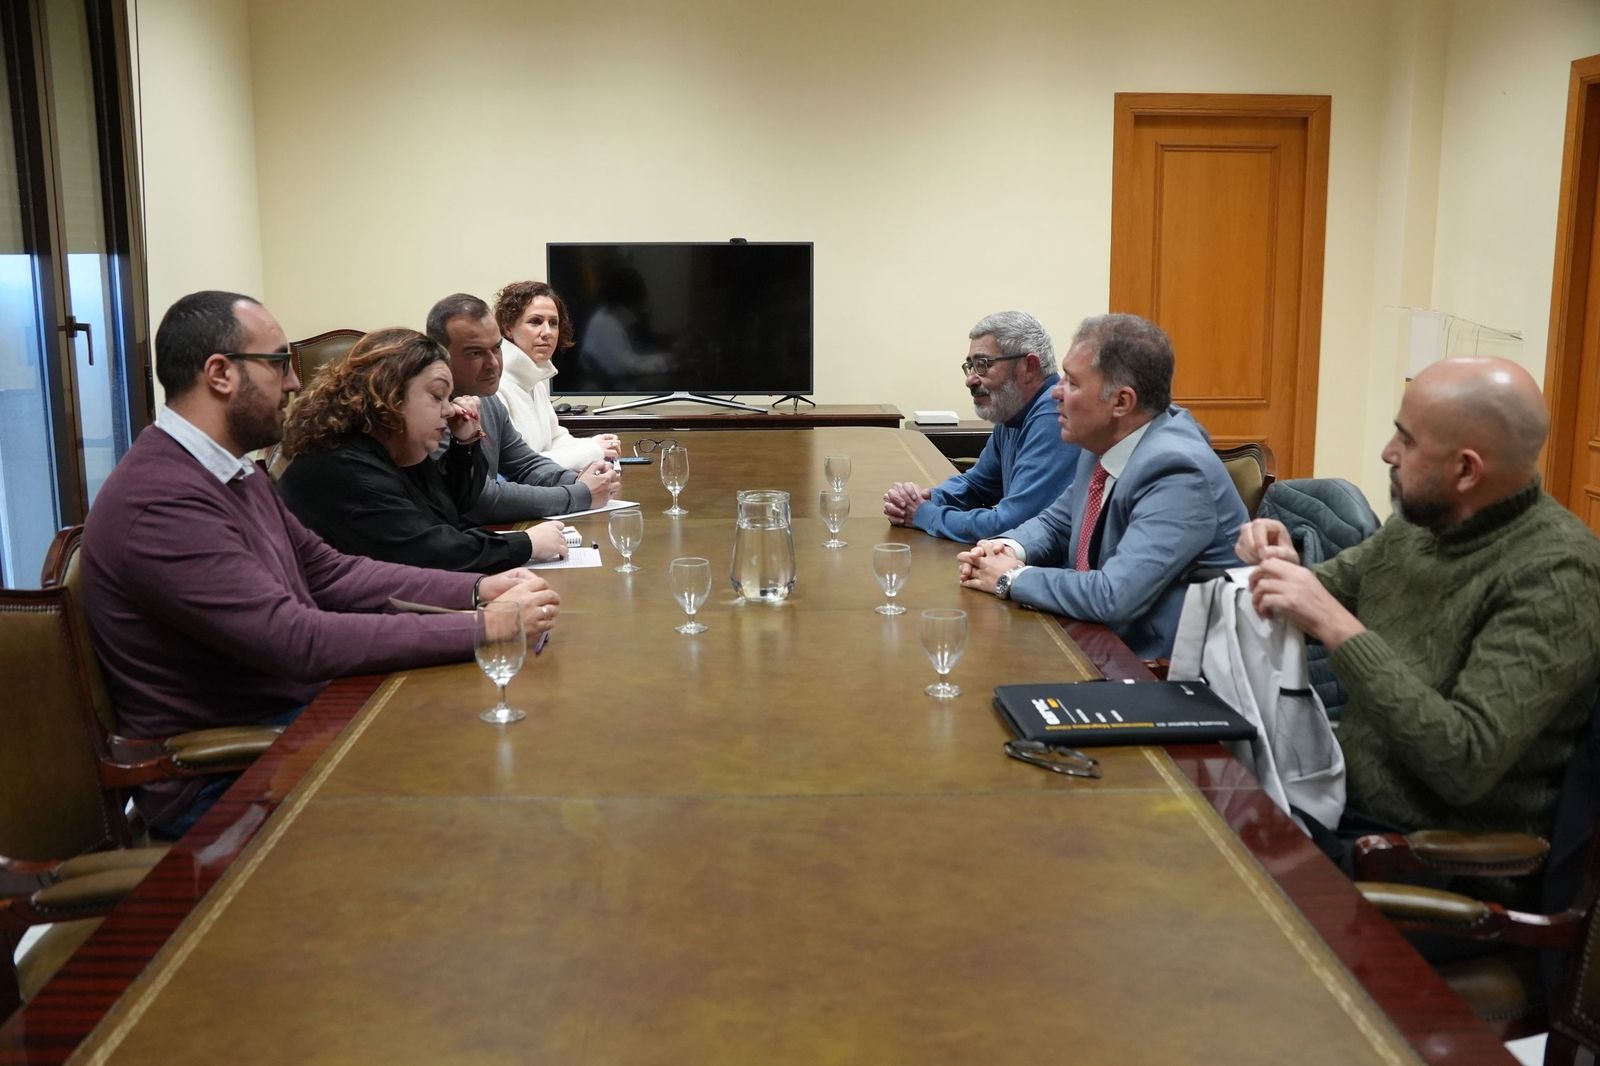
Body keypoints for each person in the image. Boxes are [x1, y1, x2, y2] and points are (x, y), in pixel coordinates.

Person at [80, 291, 560, 835]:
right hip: (227, 779)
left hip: (287, 726)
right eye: (278, 363)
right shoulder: (162, 500)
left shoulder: (231, 471)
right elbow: (295, 639)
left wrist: (479, 589)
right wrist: (484, 628)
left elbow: (331, 572)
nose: (292, 382)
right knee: (481, 787)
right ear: (220, 374)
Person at [1239, 357, 1600, 839]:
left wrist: (1338, 627)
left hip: (1430, 851)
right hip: (1342, 797)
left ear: (1466, 470)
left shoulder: (1558, 576)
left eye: (1407, 440)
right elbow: (1320, 595)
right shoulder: (1422, 525)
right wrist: (1281, 566)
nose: (1389, 453)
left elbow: (1464, 761)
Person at [957, 313, 1245, 659]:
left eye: (1073, 383)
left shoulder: (1179, 472)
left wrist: (1012, 578)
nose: (1055, 394)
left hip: (1160, 666)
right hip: (1097, 638)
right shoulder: (1104, 439)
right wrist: (1005, 549)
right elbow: (1056, 523)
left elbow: (1113, 596)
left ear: (1122, 402)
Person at [278, 328, 567, 572]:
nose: (450, 409)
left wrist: (464, 444)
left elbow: (450, 512)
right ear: (389, 393)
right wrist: (525, 544)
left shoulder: (392, 446)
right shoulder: (342, 467)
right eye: (436, 396)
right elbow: (431, 551)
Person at [883, 310, 1079, 542]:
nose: (970, 379)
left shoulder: (1056, 416)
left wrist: (924, 514)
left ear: (1029, 366)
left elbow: (1010, 524)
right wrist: (929, 498)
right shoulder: (1013, 410)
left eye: (983, 365)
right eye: (970, 366)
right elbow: (977, 485)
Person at [425, 292, 619, 520]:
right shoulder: (432, 412)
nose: (494, 364)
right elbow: (480, 499)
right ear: (441, 355)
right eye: (475, 353)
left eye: (496, 348)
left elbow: (525, 463)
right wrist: (579, 494)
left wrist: (581, 479)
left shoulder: (487, 397)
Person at [494, 280, 621, 471]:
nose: (547, 332)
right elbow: (523, 467)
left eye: (553, 323)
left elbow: (554, 440)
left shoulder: (534, 380)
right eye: (535, 322)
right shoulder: (495, 386)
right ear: (508, 328)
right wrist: (593, 450)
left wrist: (594, 443)